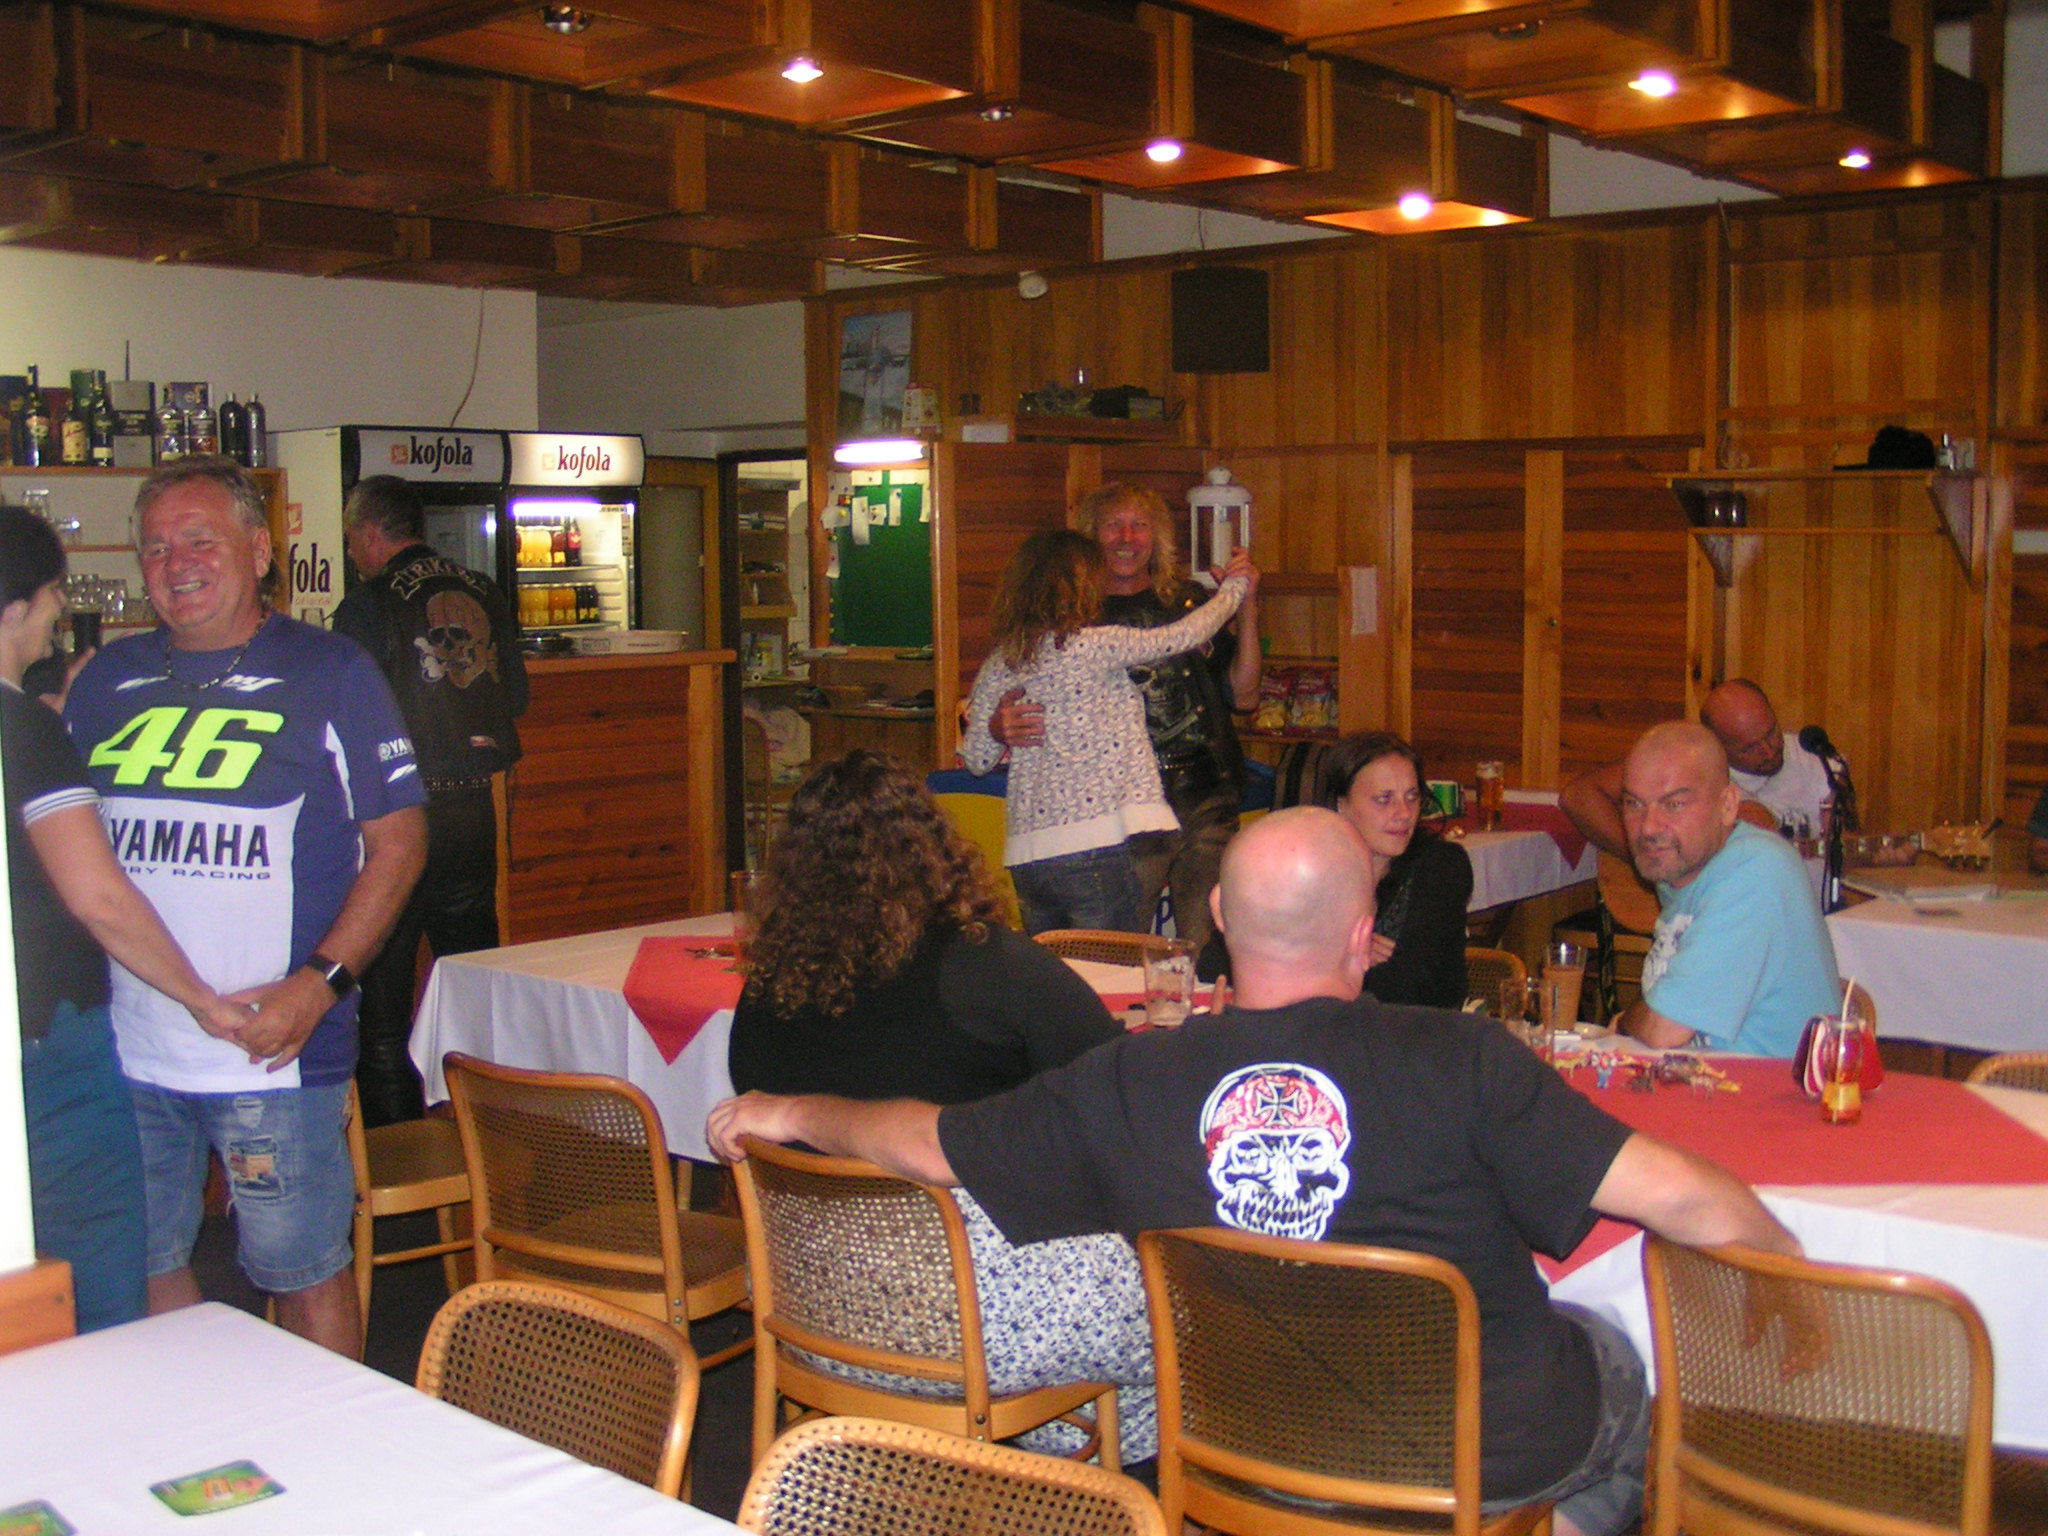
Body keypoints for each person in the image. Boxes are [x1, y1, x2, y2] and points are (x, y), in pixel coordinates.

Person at [710, 807, 1812, 1536]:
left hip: (1240, 1450)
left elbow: (922, 1142)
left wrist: (787, 1109)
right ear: (1364, 932)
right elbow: (1689, 1200)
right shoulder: (1466, 1057)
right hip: (1472, 1452)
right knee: (1618, 1364)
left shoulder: (1128, 1079)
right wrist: (1788, 1271)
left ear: (1219, 921)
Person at [65, 459, 427, 1357]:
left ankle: (325, 1440)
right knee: (146, 1265)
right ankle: (198, 1426)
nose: (175, 563)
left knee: (304, 1276)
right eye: (156, 548)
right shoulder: (105, 682)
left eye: (200, 540)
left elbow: (399, 845)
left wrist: (319, 985)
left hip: (276, 1053)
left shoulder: (333, 671)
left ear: (261, 552)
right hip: (131, 1051)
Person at [727, 749, 1148, 1450]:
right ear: (932, 846)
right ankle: (1095, 1470)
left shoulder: (768, 988)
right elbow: (1115, 1091)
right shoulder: (993, 964)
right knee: (1181, 1289)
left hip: (811, 1310)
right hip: (963, 1326)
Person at [1, 506, 253, 1331]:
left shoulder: (35, 724)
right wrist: (203, 999)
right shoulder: (26, 733)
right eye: (51, 594)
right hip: (49, 1043)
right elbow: (99, 898)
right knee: (99, 1278)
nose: (57, 611)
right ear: (16, 609)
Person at [331, 474, 527, 1128]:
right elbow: (516, 698)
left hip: (399, 824)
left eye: (352, 539)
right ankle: (490, 1146)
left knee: (384, 1014)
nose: (353, 552)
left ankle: (398, 1162)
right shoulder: (483, 589)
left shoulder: (367, 605)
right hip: (474, 813)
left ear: (369, 533)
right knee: (475, 996)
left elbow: (349, 720)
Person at [988, 484, 1262, 946]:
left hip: (1207, 796)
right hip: (1121, 811)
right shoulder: (1067, 619)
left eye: (1140, 525)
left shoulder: (1190, 602)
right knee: (1116, 948)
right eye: (1113, 525)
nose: (1127, 538)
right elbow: (1001, 696)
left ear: (1157, 537)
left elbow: (1246, 696)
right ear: (1089, 537)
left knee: (1208, 944)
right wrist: (998, 727)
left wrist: (1247, 604)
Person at [1197, 730, 1472, 1008]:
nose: (1404, 813)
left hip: (1411, 1028)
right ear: (1341, 803)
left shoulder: (1441, 866)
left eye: (1412, 797)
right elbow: (1214, 963)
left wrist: (1309, 962)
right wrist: (1344, 956)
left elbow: (1414, 987)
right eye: (1384, 799)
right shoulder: (1304, 864)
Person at [1612, 722, 1840, 1057]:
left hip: (1767, 1087)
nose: (1648, 827)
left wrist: (1625, 1022)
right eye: (1634, 804)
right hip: (1700, 1080)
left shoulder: (1757, 869)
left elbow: (1665, 1029)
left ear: (1728, 805)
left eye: (1674, 804)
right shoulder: (1683, 868)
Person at [1563, 679, 1838, 900]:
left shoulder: (1818, 760)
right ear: (1718, 744)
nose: (1768, 751)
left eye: (1771, 733)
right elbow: (1579, 797)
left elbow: (1846, 853)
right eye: (1749, 748)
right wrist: (1650, 856)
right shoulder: (1690, 766)